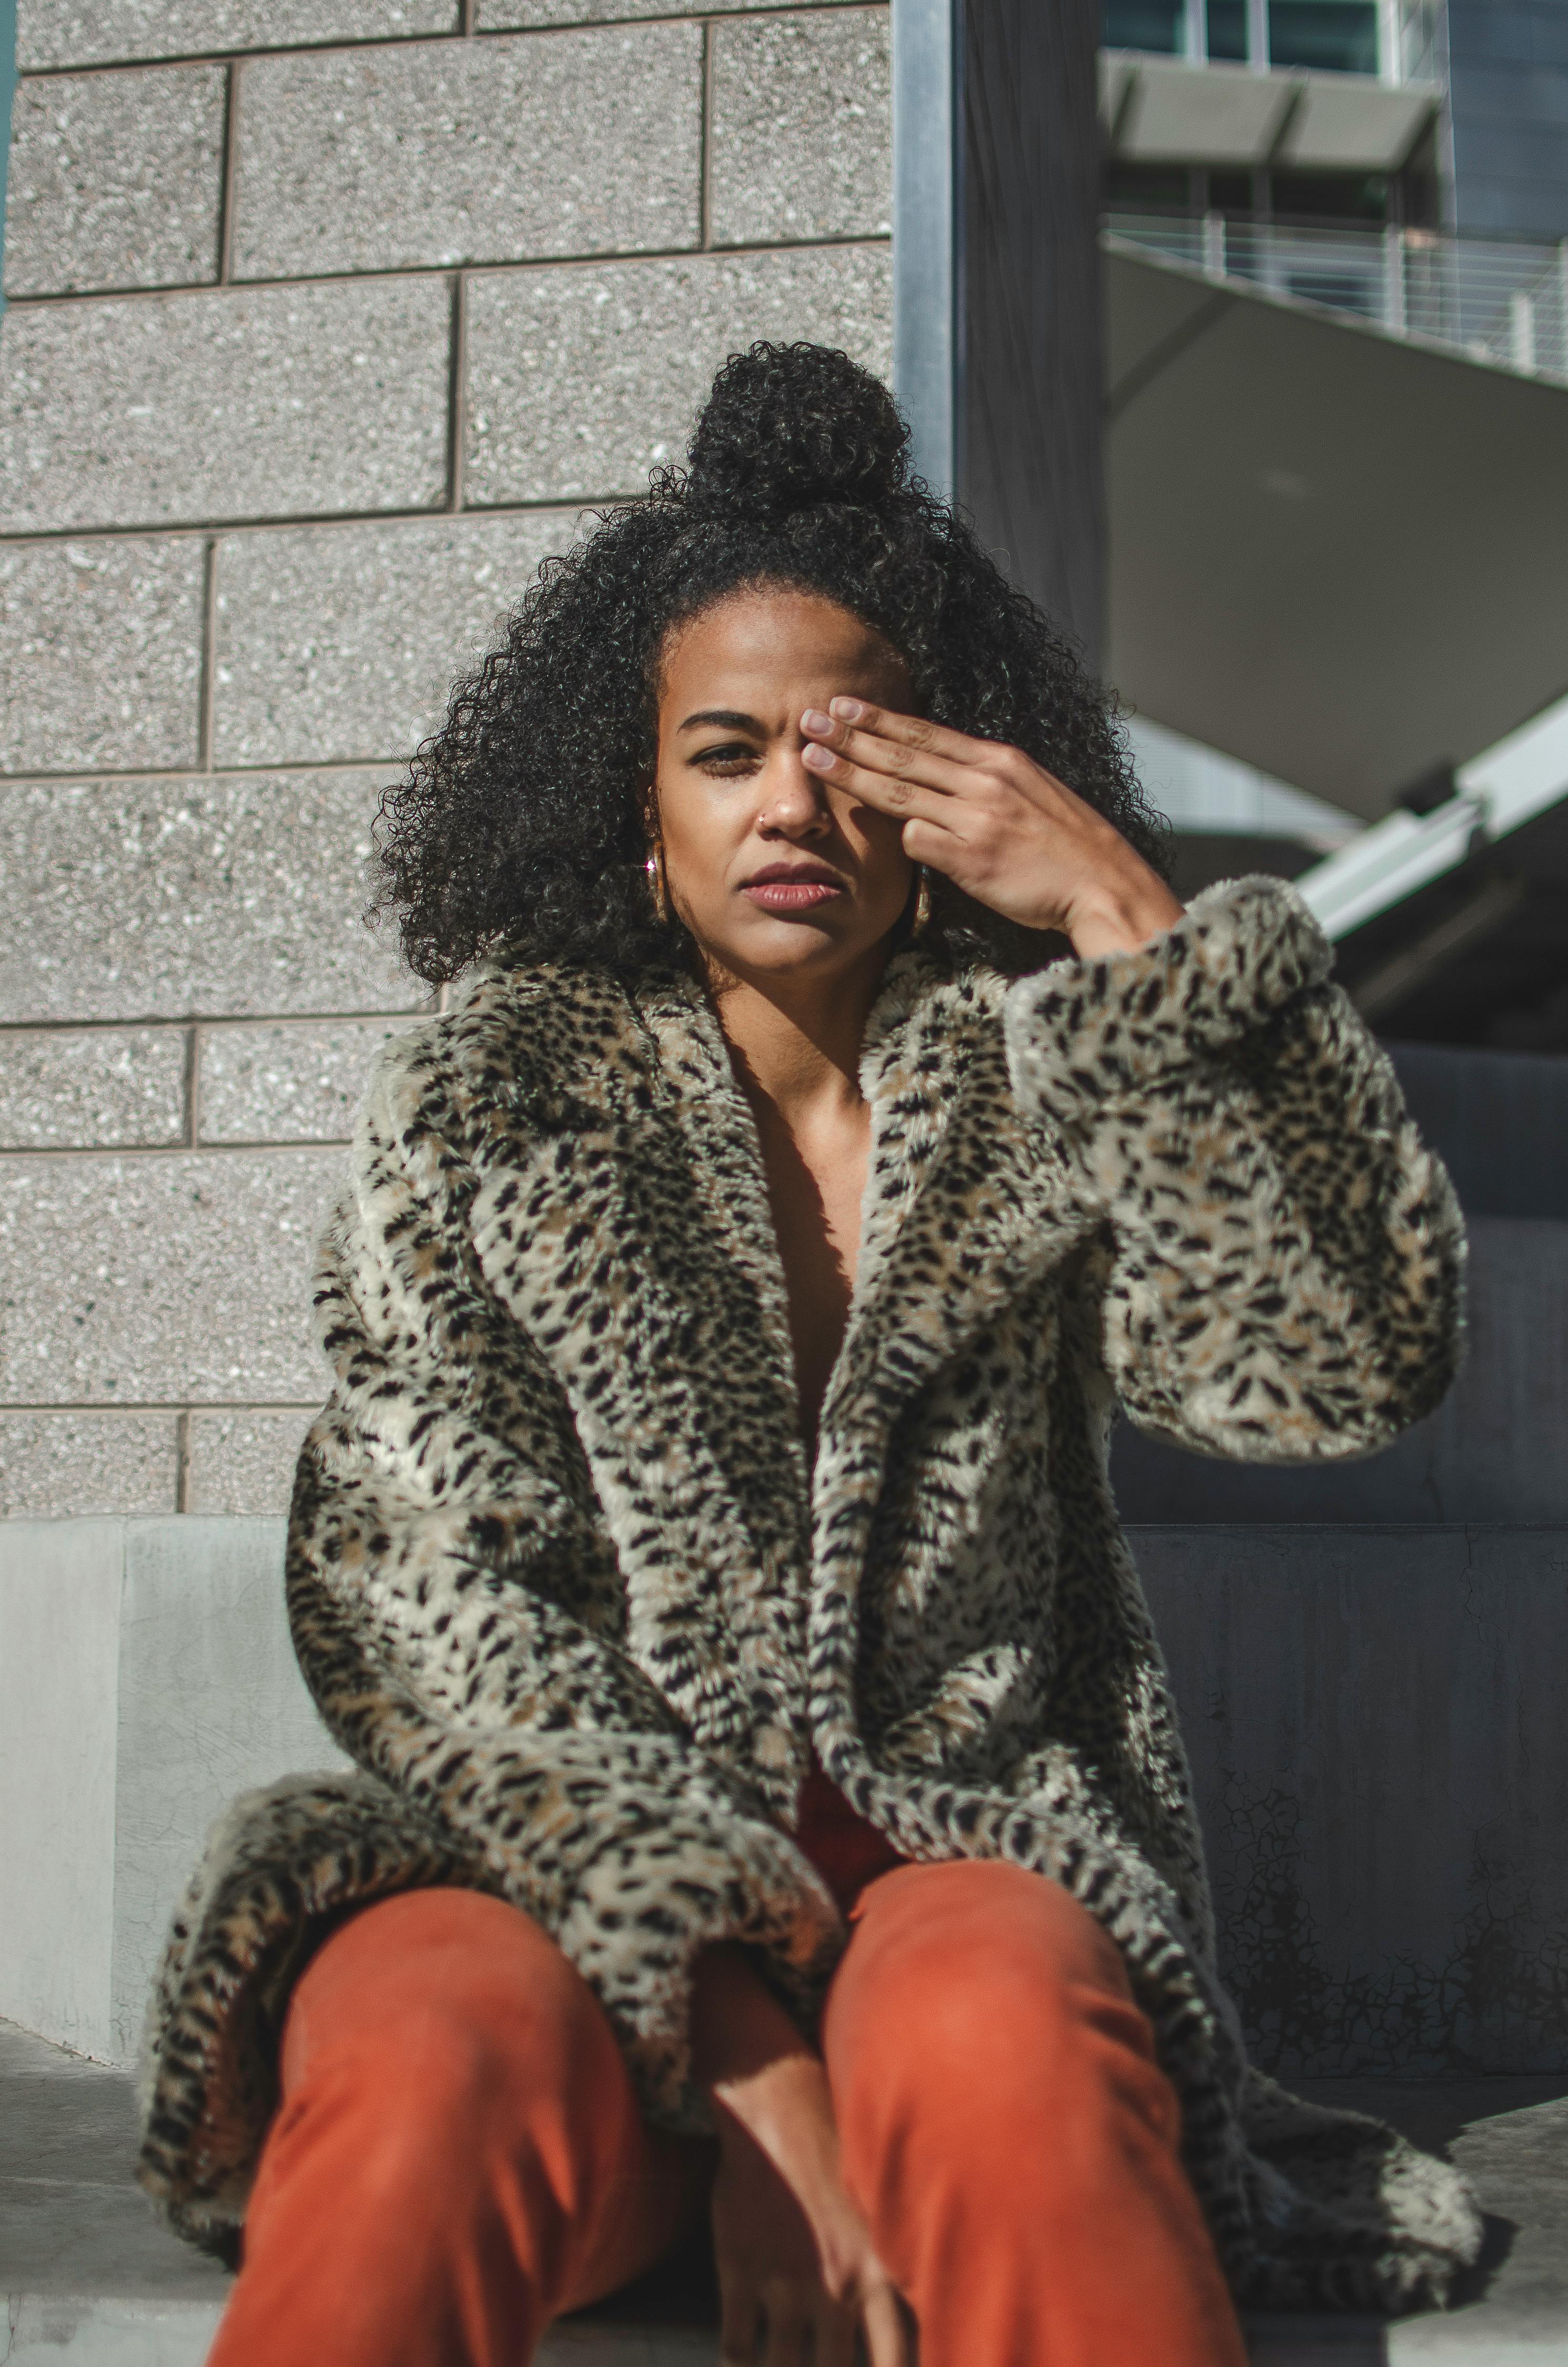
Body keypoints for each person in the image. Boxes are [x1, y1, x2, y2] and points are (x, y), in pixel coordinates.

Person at [138, 343, 1480, 2365]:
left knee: (1014, 2042)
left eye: (851, 749)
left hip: (952, 1855)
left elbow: (1343, 1362)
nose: (793, 802)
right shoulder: (490, 1095)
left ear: (946, 777)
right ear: (640, 797)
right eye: (726, 748)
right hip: (564, 1887)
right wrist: (746, 2043)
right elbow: (432, 1601)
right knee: (421, 2053)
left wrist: (1133, 925)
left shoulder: (1041, 1084)